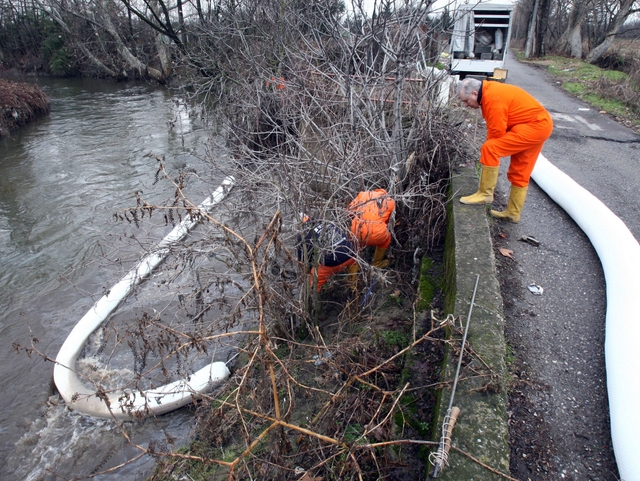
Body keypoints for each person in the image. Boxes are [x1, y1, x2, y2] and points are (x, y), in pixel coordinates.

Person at [457, 78, 553, 223]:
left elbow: (496, 133)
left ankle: (485, 194)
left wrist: (486, 158)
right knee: (520, 170)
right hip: (539, 125)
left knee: (490, 148)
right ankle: (513, 213)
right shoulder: (491, 92)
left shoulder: (492, 98)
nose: (466, 105)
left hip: (534, 126)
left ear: (475, 94)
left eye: (466, 101)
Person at [347, 189, 396, 288]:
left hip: (357, 231)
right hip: (377, 234)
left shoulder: (363, 195)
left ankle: (352, 282)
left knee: (354, 250)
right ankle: (377, 263)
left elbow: (349, 212)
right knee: (386, 239)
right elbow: (388, 222)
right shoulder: (390, 201)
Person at [298, 219, 356, 292]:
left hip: (333, 263)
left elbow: (303, 262)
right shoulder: (325, 221)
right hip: (351, 253)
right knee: (353, 267)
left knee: (314, 282)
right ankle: (353, 286)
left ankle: (313, 298)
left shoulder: (303, 236)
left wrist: (308, 271)